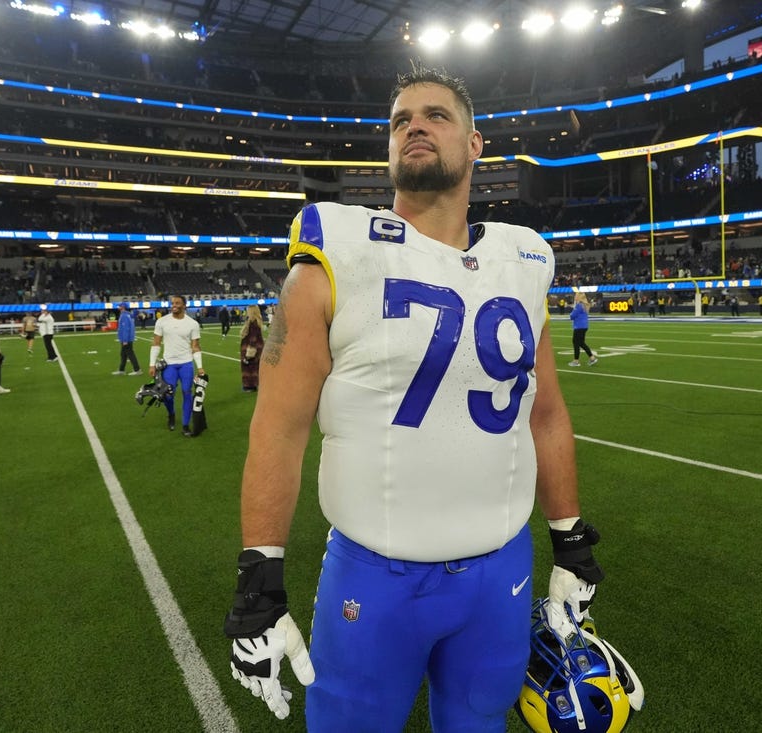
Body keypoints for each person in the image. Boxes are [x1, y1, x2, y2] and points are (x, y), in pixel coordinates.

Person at [223, 66, 604, 732]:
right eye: (401, 120)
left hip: (500, 572)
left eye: (435, 115)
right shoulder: (331, 256)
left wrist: (569, 539)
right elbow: (279, 429)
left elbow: (544, 413)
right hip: (375, 579)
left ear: (477, 143)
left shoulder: (525, 261)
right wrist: (260, 577)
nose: (415, 126)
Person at [149, 295, 204, 437]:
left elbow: (196, 346)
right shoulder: (162, 321)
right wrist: (152, 364)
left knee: (187, 393)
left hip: (186, 363)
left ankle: (185, 425)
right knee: (167, 394)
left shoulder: (193, 324)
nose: (174, 305)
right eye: (172, 303)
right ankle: (171, 414)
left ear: (184, 305)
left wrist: (200, 367)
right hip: (169, 364)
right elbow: (156, 343)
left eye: (177, 303)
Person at [238, 304, 264, 392]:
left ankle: (249, 385)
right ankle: (252, 385)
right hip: (255, 348)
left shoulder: (253, 323)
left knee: (249, 366)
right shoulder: (254, 322)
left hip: (251, 348)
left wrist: (249, 351)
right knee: (253, 366)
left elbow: (253, 338)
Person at [568, 292, 598, 367]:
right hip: (584, 326)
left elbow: (572, 316)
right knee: (581, 343)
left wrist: (573, 310)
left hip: (578, 327)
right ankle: (592, 358)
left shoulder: (579, 306)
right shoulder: (584, 305)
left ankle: (576, 361)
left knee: (576, 343)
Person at [112, 303, 141, 375]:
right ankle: (121, 370)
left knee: (130, 354)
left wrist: (125, 340)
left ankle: (137, 370)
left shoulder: (124, 316)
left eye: (120, 306)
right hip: (128, 338)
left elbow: (125, 328)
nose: (118, 307)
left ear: (123, 307)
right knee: (123, 355)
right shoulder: (127, 315)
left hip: (126, 339)